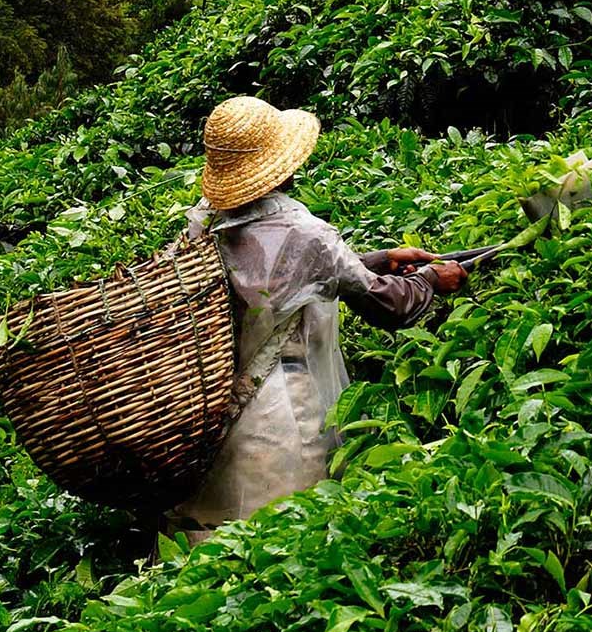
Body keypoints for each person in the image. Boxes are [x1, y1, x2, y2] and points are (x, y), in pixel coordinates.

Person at [171, 95, 465, 532]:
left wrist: (380, 258)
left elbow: (276, 284)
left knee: (215, 544)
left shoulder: (203, 226)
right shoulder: (302, 231)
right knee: (288, 537)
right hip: (284, 418)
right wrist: (431, 283)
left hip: (216, 416)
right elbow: (389, 306)